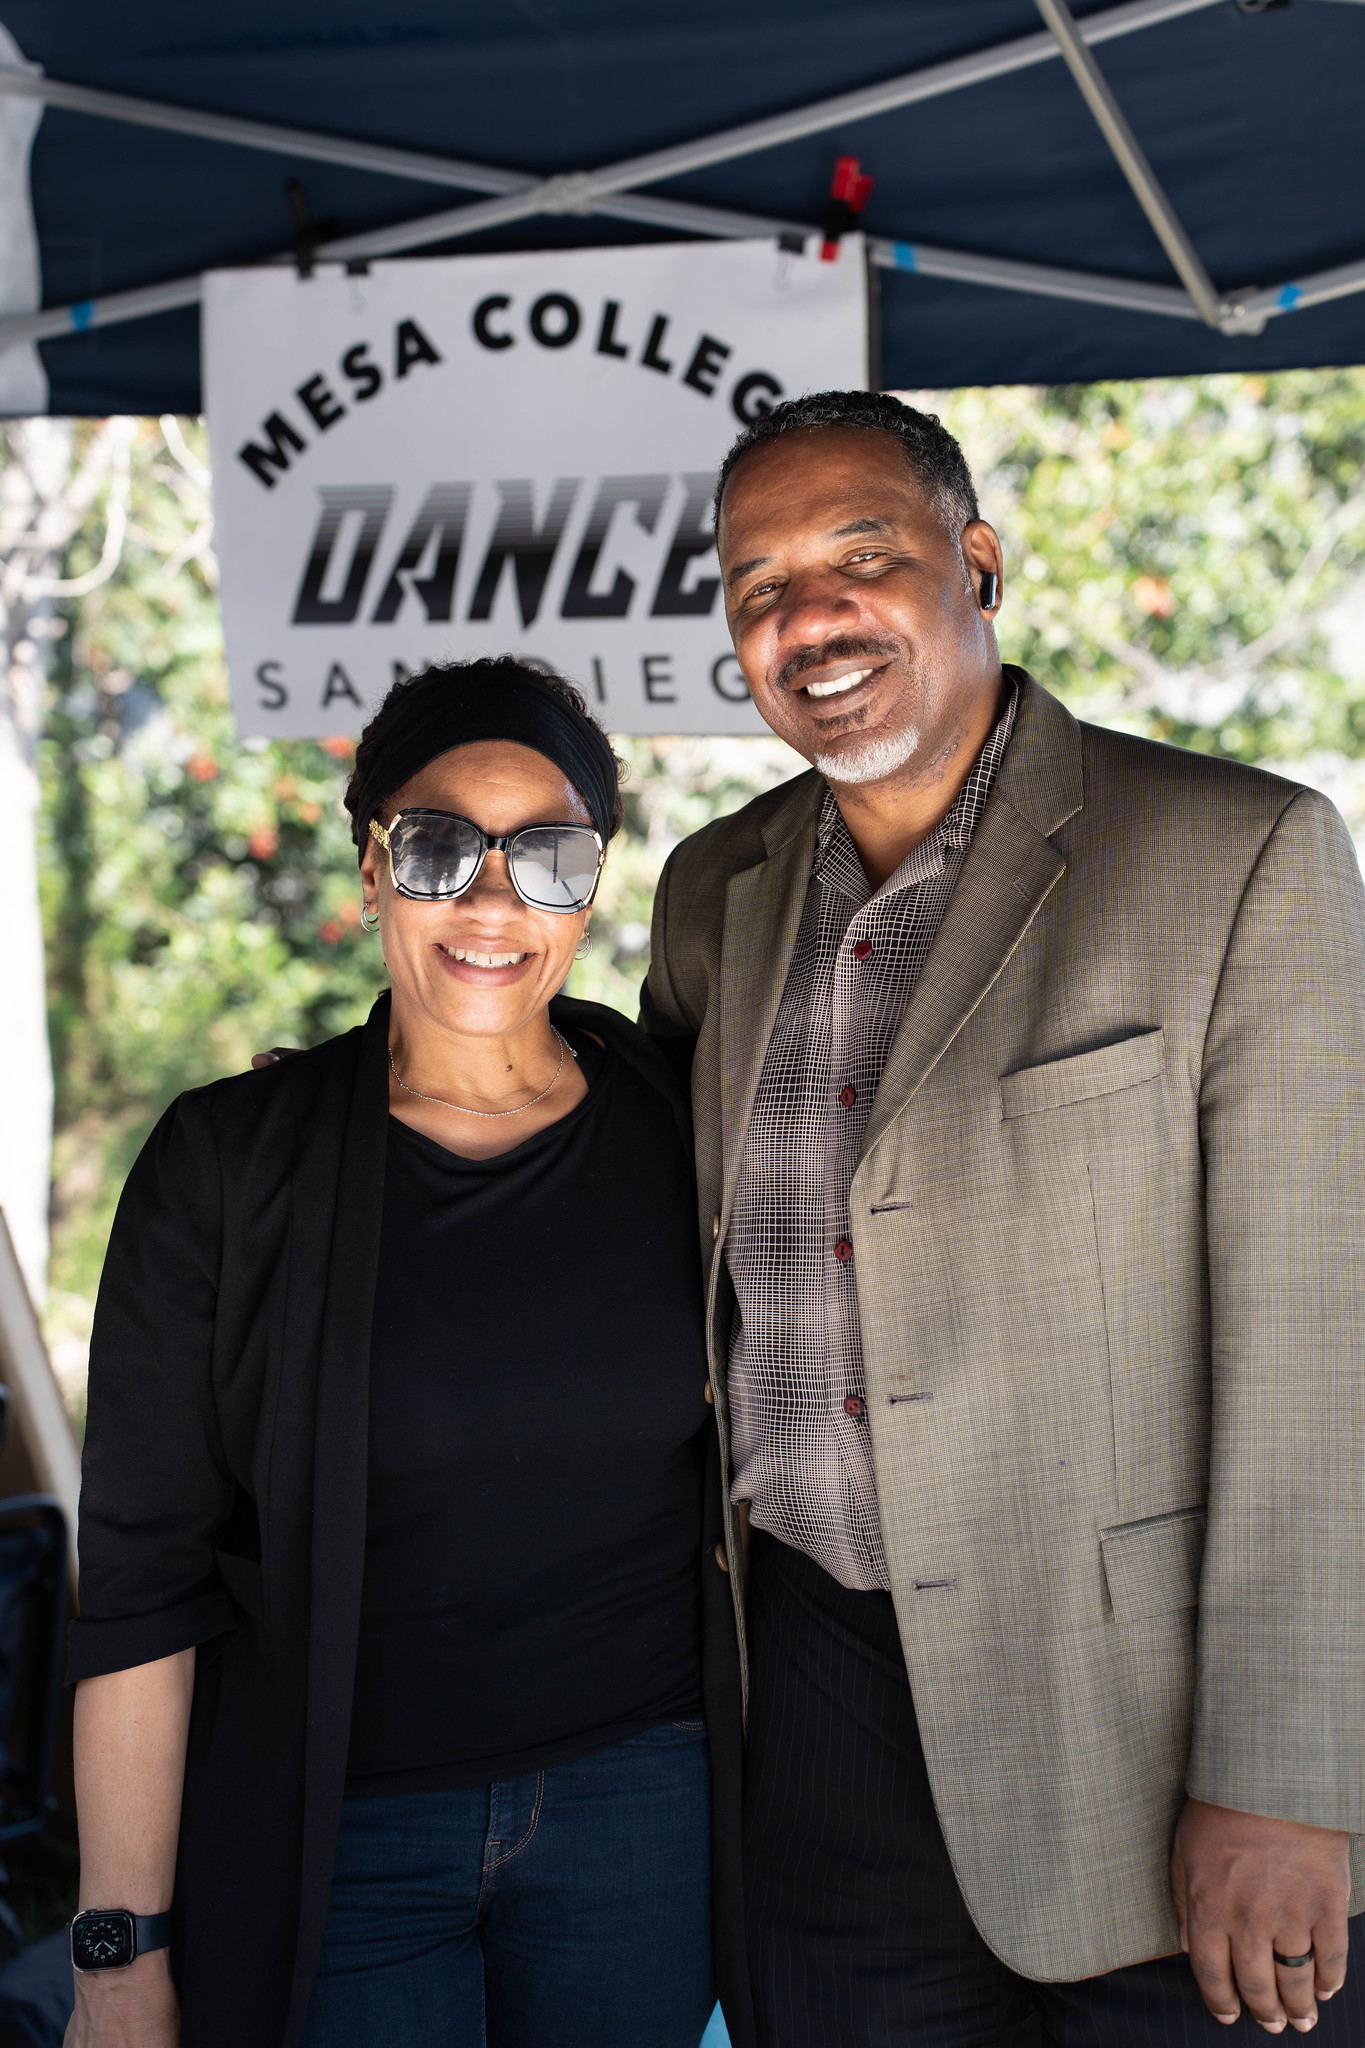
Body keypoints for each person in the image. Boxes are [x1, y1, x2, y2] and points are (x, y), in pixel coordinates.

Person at [640, 390, 1365, 2046]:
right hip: (814, 1717)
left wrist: (1283, 1777)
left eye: (860, 558)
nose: (809, 618)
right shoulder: (710, 893)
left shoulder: (1237, 854)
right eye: (759, 587)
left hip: (1144, 1741)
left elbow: (1321, 1347)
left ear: (973, 560)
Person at [63, 659, 749, 2048]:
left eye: (547, 855)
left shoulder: (690, 1123)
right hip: (340, 1836)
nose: (493, 902)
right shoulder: (226, 1165)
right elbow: (142, 1583)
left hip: (641, 1811)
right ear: (372, 865)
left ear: (593, 883)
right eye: (439, 847)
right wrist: (117, 1954)